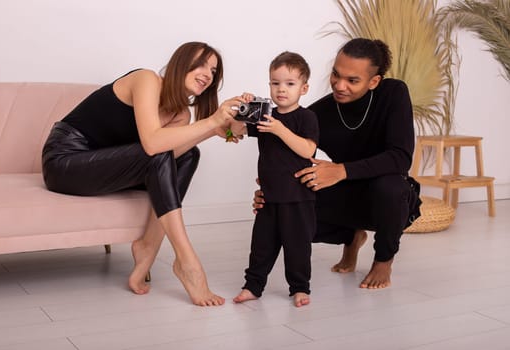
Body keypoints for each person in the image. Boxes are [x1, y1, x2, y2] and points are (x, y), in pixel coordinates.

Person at [42, 41, 245, 306]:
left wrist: (217, 129)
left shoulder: (180, 114)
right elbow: (152, 144)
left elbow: (167, 151)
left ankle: (148, 246)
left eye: (213, 70)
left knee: (189, 154)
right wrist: (211, 122)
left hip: (104, 171)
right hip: (65, 162)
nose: (208, 73)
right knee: (160, 149)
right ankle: (187, 261)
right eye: (200, 64)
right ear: (179, 64)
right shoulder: (147, 80)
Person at [252, 38, 421, 289]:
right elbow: (289, 155)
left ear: (373, 81)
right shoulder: (317, 113)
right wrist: (274, 189)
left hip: (388, 196)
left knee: (391, 187)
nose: (339, 86)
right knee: (289, 216)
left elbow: (401, 157)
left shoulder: (393, 94)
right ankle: (351, 236)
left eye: (352, 81)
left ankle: (383, 261)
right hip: (346, 192)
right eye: (335, 75)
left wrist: (342, 170)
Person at [232, 52, 319, 307]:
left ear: (303, 88)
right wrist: (243, 109)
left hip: (299, 197)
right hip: (269, 197)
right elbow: (233, 131)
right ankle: (253, 286)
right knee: (261, 246)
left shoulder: (306, 117)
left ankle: (300, 288)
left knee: (297, 247)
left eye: (290, 84)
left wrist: (280, 130)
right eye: (275, 83)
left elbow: (307, 150)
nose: (281, 89)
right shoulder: (264, 115)